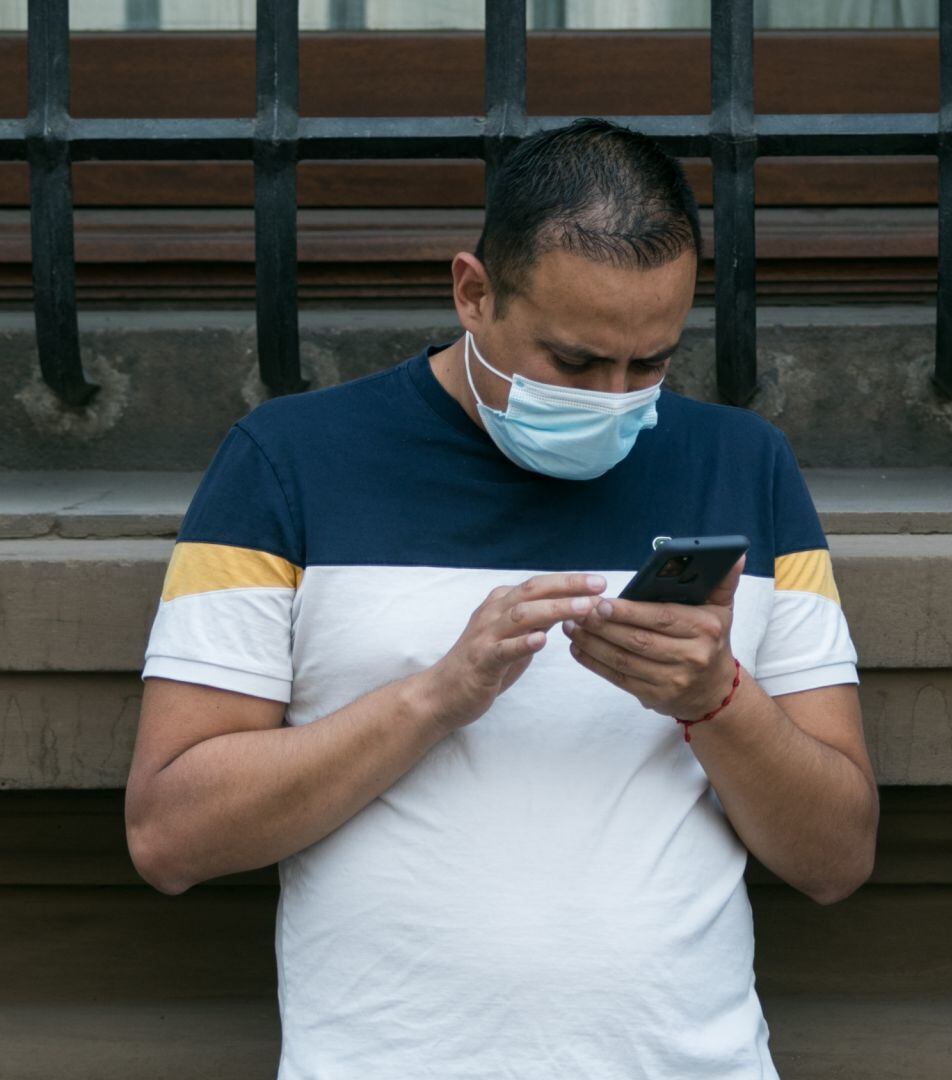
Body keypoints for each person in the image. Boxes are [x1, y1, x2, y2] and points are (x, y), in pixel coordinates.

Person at [126, 118, 877, 1078]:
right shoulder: (288, 463)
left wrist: (716, 702)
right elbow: (168, 835)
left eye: (650, 362)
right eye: (573, 362)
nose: (615, 397)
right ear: (472, 293)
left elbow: (837, 857)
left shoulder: (743, 466)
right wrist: (437, 697)